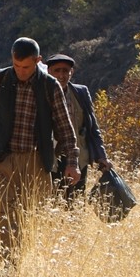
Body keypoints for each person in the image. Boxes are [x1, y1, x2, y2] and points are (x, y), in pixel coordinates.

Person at [0, 37, 81, 261]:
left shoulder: (49, 86)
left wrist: (72, 162)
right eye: (16, 65)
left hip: (34, 161)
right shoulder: (0, 79)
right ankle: (7, 262)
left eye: (26, 67)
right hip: (1, 159)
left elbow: (64, 126)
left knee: (28, 216)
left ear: (38, 61)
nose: (21, 71)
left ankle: (19, 259)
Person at [45, 53, 112, 204]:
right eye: (57, 70)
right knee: (51, 204)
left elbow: (92, 126)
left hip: (77, 158)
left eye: (65, 71)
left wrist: (101, 156)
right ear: (49, 71)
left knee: (75, 203)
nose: (61, 75)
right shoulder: (41, 93)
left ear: (71, 72)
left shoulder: (80, 93)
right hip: (50, 160)